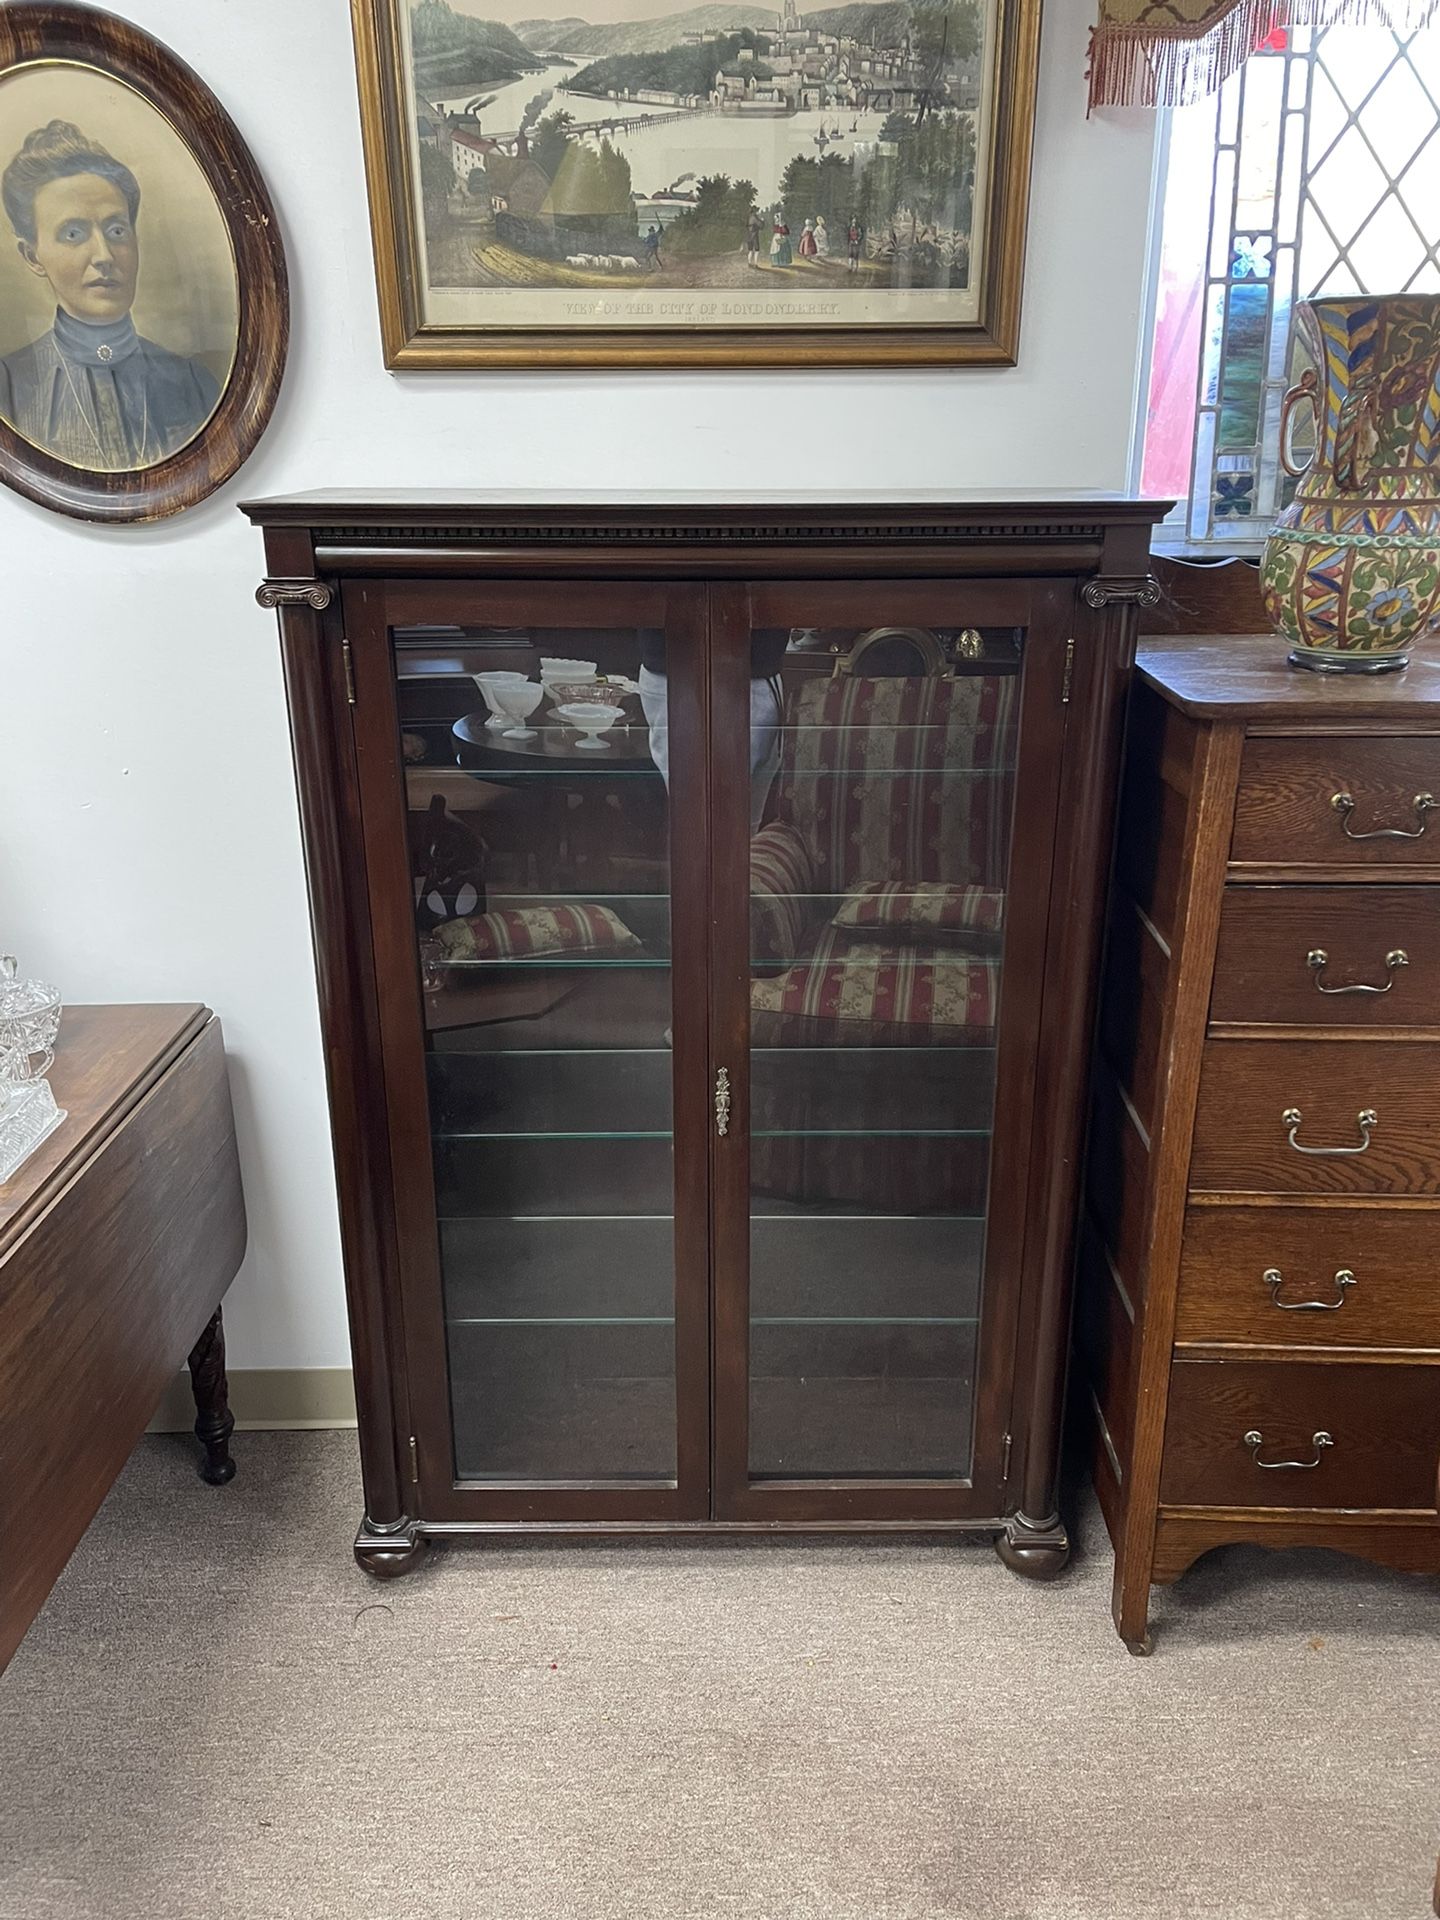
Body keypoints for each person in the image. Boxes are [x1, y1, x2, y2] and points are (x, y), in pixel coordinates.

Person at [0, 119, 221, 470]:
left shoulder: (193, 384)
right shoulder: (9, 385)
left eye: (116, 229)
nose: (104, 255)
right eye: (73, 234)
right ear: (32, 256)